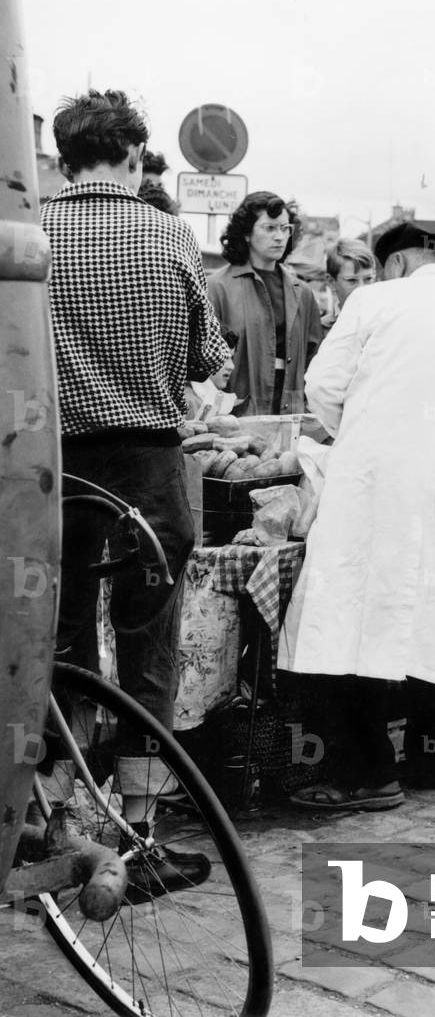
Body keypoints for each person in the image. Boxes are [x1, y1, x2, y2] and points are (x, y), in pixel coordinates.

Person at [42, 89, 230, 894]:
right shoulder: (167, 231)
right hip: (149, 467)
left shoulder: (33, 234)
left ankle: (56, 816)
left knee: (60, 640)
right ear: (131, 155)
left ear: (64, 155)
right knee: (149, 643)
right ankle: (142, 832)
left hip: (52, 465)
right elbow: (203, 359)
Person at [279, 222, 435, 809]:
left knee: (355, 616)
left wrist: (364, 432)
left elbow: (323, 385)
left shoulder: (373, 301)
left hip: (376, 486)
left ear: (394, 263)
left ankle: (367, 773)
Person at [207, 192, 323, 415]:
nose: (279, 236)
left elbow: (314, 360)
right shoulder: (217, 288)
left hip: (291, 415)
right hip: (235, 416)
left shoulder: (303, 293)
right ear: (247, 233)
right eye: (269, 228)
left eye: (285, 228)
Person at [318, 238, 378, 331]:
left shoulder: (386, 323)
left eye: (368, 279)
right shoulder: (319, 331)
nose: (362, 288)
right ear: (331, 282)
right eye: (352, 280)